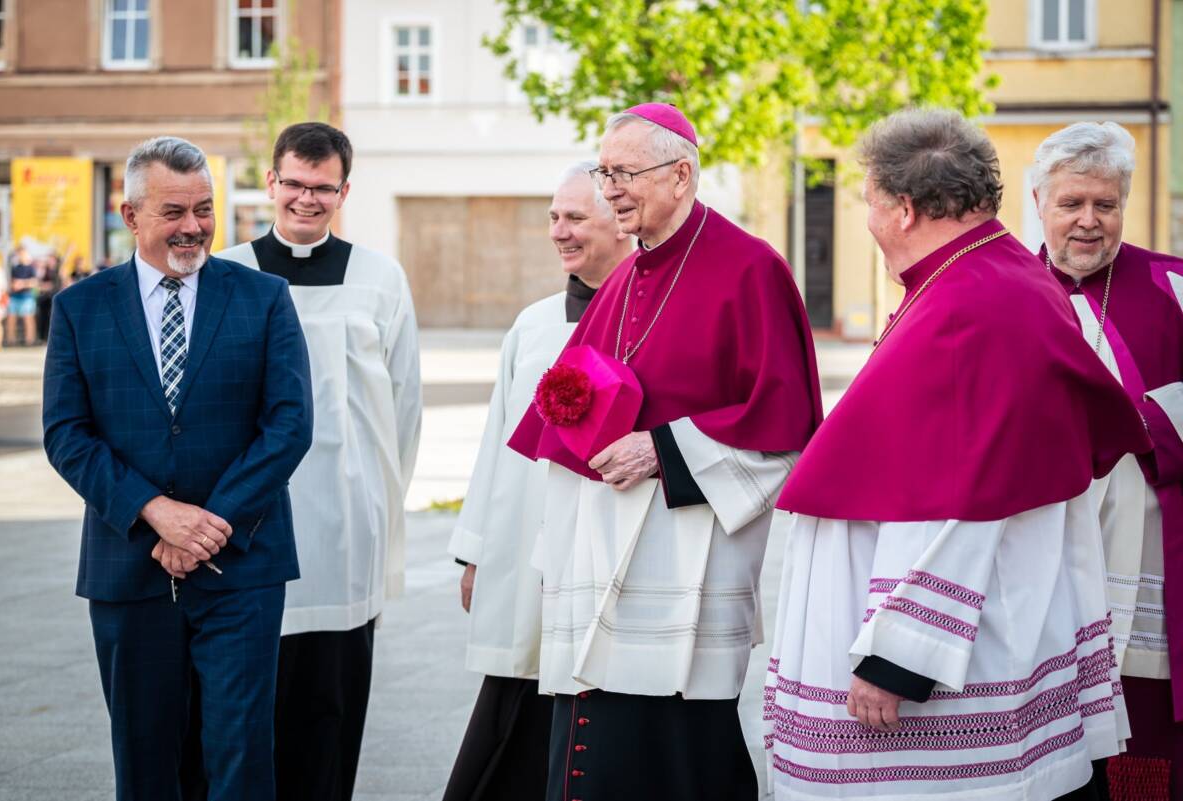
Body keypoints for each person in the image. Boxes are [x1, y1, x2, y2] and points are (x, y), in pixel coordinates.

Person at [763, 109, 1151, 801]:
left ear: (905, 209)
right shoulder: (984, 280)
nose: (871, 221)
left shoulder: (976, 305)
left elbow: (965, 500)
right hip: (983, 624)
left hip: (958, 660)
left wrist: (899, 655)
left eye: (871, 205)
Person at [508, 103, 823, 801]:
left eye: (624, 173)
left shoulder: (751, 269)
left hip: (682, 551)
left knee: (674, 751)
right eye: (604, 171)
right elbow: (566, 411)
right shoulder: (623, 275)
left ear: (682, 174)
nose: (610, 187)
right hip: (601, 543)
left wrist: (663, 450)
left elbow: (785, 426)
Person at [42, 136, 314, 801]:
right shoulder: (82, 307)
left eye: (205, 209)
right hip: (129, 568)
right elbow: (66, 434)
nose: (193, 226)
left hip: (242, 568)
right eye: (174, 211)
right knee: (144, 759)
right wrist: (155, 512)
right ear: (130, 214)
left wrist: (211, 523)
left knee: (241, 754)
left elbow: (290, 424)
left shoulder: (264, 298)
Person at [216, 122, 422, 801]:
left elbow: (404, 404)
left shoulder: (379, 278)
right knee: (247, 713)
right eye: (294, 184)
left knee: (330, 709)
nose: (307, 199)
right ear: (270, 182)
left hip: (345, 525)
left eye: (322, 188)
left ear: (344, 191)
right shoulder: (229, 274)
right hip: (246, 524)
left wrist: (380, 506)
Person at [443, 160, 629, 801]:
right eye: (554, 216)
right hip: (523, 547)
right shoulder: (533, 324)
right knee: (517, 684)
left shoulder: (646, 321)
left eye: (576, 217)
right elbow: (499, 445)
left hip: (607, 554)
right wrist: (475, 552)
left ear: (620, 223)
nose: (559, 231)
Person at [1035, 121, 1183, 799]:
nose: (1089, 222)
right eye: (1072, 204)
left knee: (1141, 727)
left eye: (1106, 203)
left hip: (1151, 550)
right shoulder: (1001, 291)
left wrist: (1144, 420)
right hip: (1040, 548)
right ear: (1039, 201)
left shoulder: (1172, 284)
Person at [6, 247, 36, 345]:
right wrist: (14, 285)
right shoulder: (15, 268)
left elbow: (34, 282)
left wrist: (22, 284)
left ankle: (30, 340)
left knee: (28, 319)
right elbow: (11, 282)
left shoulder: (31, 268)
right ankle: (11, 341)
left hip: (26, 297)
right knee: (11, 319)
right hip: (14, 296)